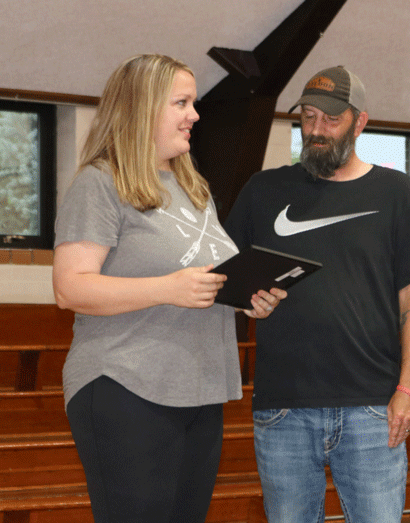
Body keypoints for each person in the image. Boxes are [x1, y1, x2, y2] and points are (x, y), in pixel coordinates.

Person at [51, 54, 285, 523]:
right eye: (181, 102)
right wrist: (167, 288)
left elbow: (203, 281)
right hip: (125, 383)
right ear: (142, 109)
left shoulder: (192, 188)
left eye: (193, 103)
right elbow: (70, 288)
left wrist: (246, 296)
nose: (194, 115)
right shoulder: (100, 183)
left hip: (198, 388)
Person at [224, 65, 410, 522]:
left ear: (360, 122)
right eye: (308, 118)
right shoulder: (263, 190)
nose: (317, 130)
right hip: (283, 408)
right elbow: (224, 277)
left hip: (371, 407)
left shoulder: (396, 191)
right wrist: (248, 300)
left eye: (331, 120)